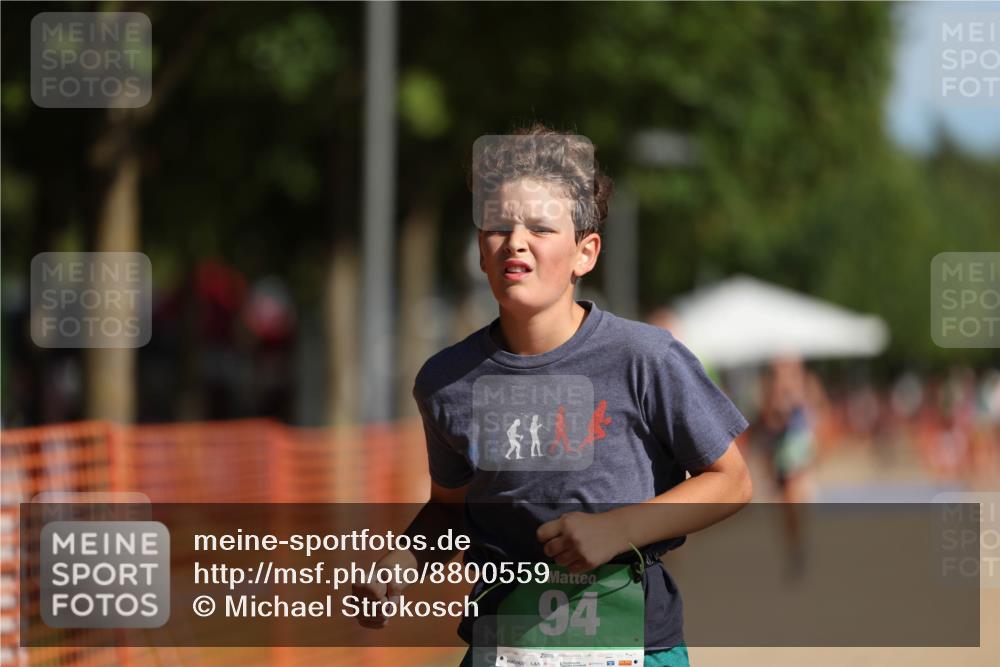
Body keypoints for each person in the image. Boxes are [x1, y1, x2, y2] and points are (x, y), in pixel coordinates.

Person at [353, 125, 752, 666]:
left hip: (633, 648)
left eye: (540, 227)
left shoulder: (645, 358)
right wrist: (401, 564)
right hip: (503, 650)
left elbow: (732, 481)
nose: (515, 241)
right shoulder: (446, 381)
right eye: (498, 225)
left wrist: (617, 530)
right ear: (481, 251)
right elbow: (450, 508)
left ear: (585, 253)